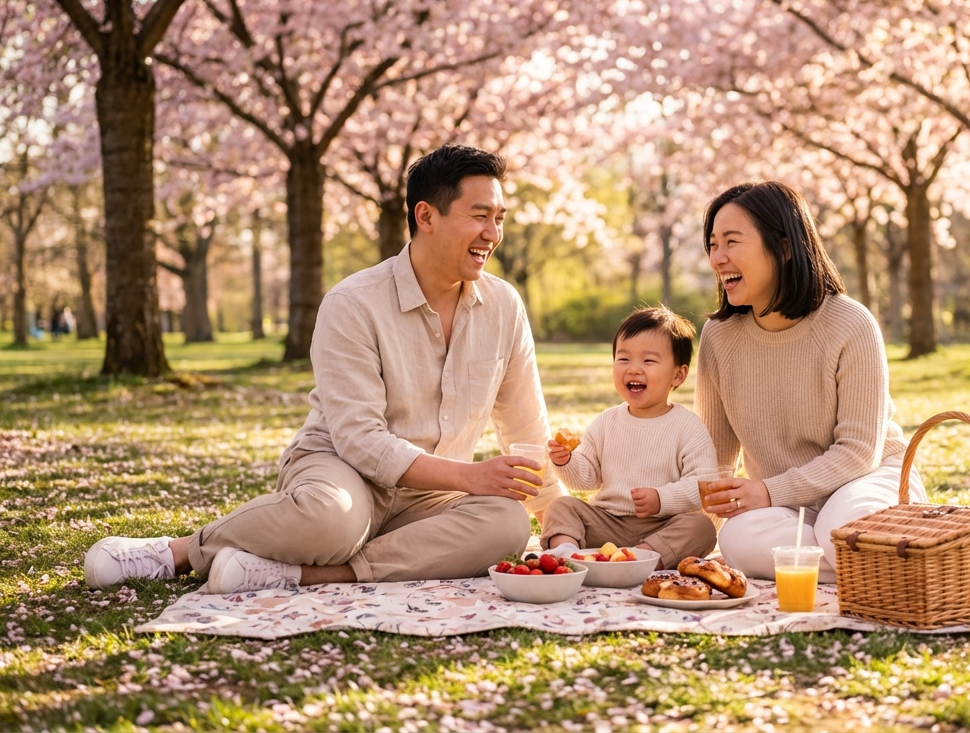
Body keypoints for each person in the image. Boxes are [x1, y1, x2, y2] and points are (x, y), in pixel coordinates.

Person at [85, 144, 559, 593]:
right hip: (342, 471)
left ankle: (311, 575)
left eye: (498, 219)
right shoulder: (353, 302)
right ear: (426, 216)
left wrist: (560, 529)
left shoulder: (504, 306)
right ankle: (181, 552)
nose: (493, 234)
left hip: (431, 494)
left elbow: (526, 425)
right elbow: (360, 440)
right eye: (480, 216)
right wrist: (468, 477)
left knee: (508, 523)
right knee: (333, 520)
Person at [694, 181, 970, 589]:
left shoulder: (850, 323)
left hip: (864, 482)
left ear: (784, 247)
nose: (717, 258)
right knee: (738, 538)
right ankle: (898, 560)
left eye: (731, 241)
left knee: (844, 530)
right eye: (712, 244)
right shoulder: (719, 337)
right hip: (784, 504)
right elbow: (716, 459)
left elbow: (858, 452)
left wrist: (769, 491)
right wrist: (690, 526)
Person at [540, 307, 718, 571]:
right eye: (623, 359)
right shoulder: (606, 421)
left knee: (701, 527)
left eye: (648, 361)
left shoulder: (687, 426)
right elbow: (586, 479)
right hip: (606, 522)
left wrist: (661, 498)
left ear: (678, 375)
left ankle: (641, 558)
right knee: (561, 506)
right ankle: (569, 555)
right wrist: (566, 462)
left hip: (661, 526)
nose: (634, 369)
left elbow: (702, 485)